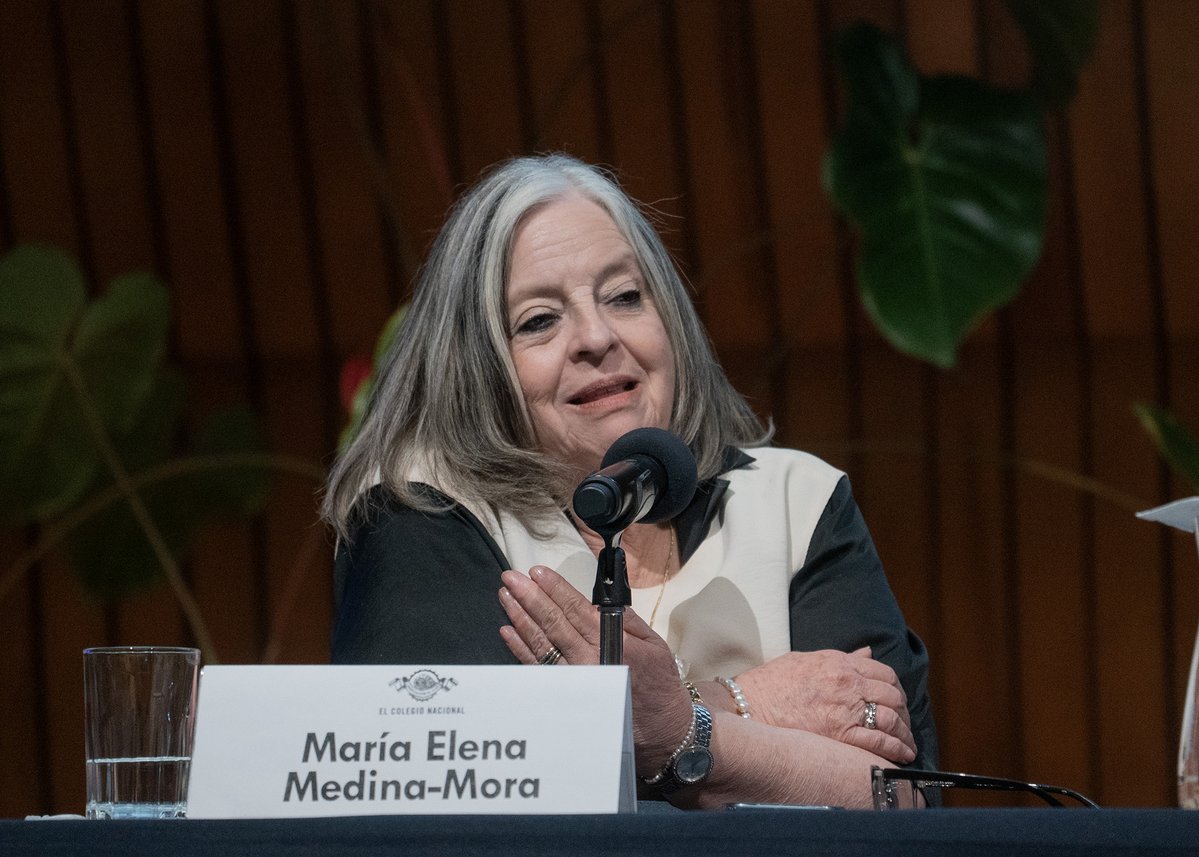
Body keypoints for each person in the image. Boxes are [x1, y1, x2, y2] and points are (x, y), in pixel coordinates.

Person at [322, 153, 937, 808]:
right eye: (538, 320)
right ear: (477, 367)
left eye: (624, 296)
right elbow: (466, 790)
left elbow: (898, 796)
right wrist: (728, 712)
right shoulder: (423, 509)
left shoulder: (795, 501)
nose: (595, 336)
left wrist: (672, 728)